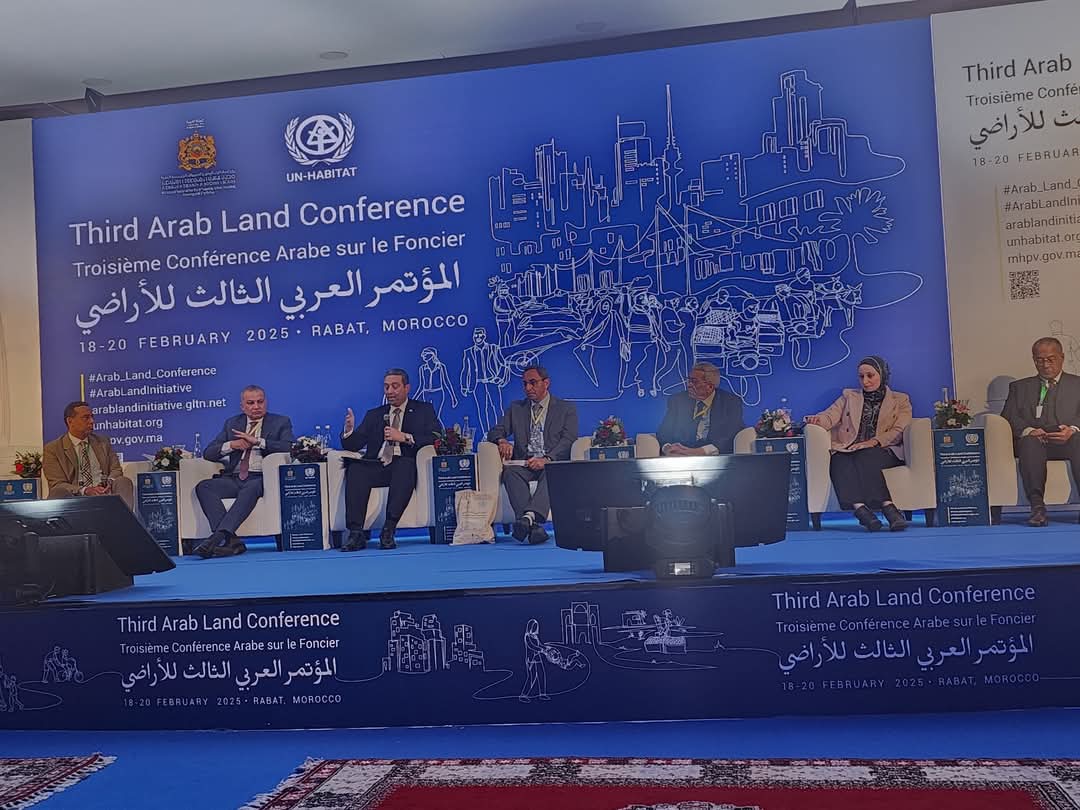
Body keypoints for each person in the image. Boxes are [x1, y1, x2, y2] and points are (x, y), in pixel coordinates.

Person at [806, 355, 912, 531]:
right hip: (850, 448)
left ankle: (888, 508)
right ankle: (862, 511)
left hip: (883, 449)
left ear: (883, 375)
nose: (865, 381)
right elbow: (830, 416)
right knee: (838, 459)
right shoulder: (849, 396)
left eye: (870, 376)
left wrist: (872, 442)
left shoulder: (901, 400)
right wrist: (818, 420)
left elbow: (899, 430)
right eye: (861, 376)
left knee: (865, 455)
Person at [340, 368, 439, 551]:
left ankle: (388, 530)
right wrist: (348, 431)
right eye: (386, 387)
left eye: (395, 386)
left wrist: (405, 437)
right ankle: (356, 534)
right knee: (355, 469)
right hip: (376, 465)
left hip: (403, 464)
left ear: (407, 388)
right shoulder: (374, 414)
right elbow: (353, 445)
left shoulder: (423, 410)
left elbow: (436, 436)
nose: (390, 391)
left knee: (404, 466)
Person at [194, 385, 294, 558]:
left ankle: (218, 537)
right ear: (242, 406)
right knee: (204, 487)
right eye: (250, 403)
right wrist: (232, 445)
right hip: (234, 478)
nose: (256, 406)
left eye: (260, 402)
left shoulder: (280, 422)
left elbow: (288, 447)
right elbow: (209, 453)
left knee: (250, 488)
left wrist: (258, 441)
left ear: (265, 402)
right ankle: (233, 541)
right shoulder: (232, 423)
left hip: (260, 478)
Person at [487, 364, 578, 544]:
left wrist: (547, 459)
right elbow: (495, 431)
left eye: (533, 383)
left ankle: (528, 518)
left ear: (546, 383)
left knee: (553, 473)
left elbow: (569, 439)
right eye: (525, 384)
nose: (528, 388)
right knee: (509, 473)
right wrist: (502, 440)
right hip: (525, 464)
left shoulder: (565, 408)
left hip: (550, 462)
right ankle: (532, 524)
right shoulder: (517, 408)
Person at [1000, 337, 1080, 527]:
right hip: (1036, 441)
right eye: (1039, 360)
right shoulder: (1019, 387)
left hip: (1069, 439)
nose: (1045, 365)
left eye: (1050, 359)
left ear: (1062, 357)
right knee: (1028, 442)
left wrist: (1072, 429)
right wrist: (1029, 430)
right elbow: (1009, 416)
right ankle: (1037, 507)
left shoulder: (1077, 384)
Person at [42, 401, 134, 509]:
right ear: (70, 421)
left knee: (123, 481)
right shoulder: (53, 449)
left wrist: (109, 482)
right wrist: (85, 490)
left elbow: (116, 469)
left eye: (92, 417)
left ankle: (124, 519)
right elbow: (57, 483)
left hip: (104, 492)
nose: (92, 421)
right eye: (86, 418)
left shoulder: (103, 442)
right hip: (75, 496)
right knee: (58, 491)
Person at [656, 361, 743, 456]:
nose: (689, 385)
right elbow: (664, 432)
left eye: (694, 381)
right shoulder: (678, 400)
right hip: (680, 456)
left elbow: (730, 435)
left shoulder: (731, 402)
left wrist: (700, 452)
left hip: (715, 456)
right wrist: (669, 448)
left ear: (710, 386)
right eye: (688, 380)